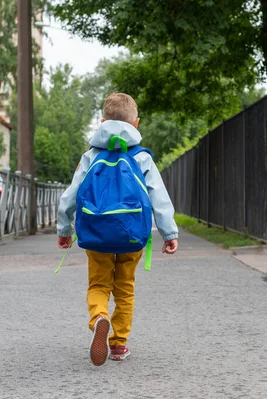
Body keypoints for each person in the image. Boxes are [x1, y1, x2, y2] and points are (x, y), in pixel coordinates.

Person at [57, 92, 179, 366]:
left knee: (99, 284)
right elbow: (159, 196)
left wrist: (64, 229)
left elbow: (70, 195)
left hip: (96, 234)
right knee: (125, 289)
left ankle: (99, 317)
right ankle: (118, 344)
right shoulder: (141, 157)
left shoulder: (90, 156)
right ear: (135, 124)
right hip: (132, 234)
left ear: (102, 122)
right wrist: (169, 233)